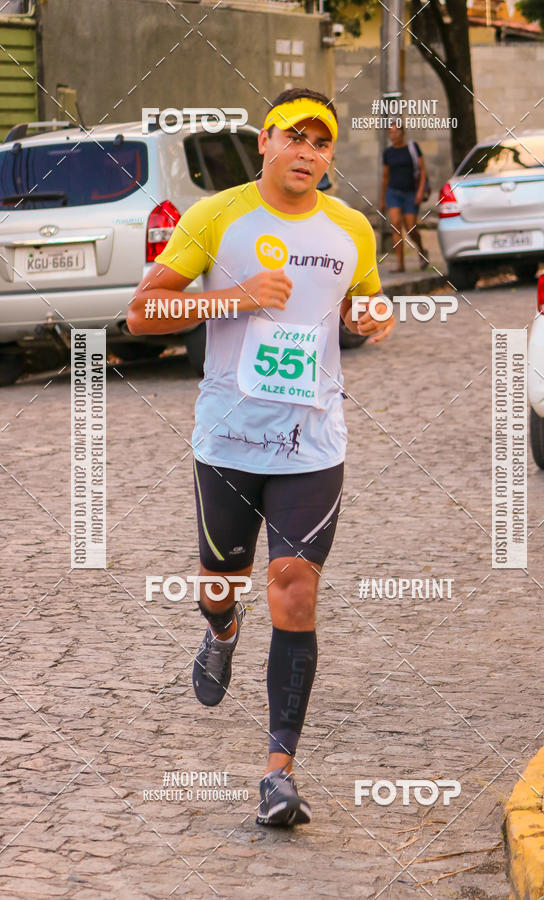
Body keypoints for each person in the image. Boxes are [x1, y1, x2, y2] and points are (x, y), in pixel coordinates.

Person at [127, 87, 394, 827]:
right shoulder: (217, 217)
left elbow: (362, 300)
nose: (306, 151)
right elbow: (143, 313)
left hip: (313, 443)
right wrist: (235, 296)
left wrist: (372, 314)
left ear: (330, 156)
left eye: (320, 141)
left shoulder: (350, 228)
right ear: (265, 143)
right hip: (229, 439)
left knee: (293, 588)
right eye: (292, 136)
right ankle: (221, 629)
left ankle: (279, 771)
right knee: (224, 585)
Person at [380, 123, 429, 273]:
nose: (393, 135)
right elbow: (385, 176)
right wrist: (382, 199)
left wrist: (420, 191)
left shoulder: (412, 148)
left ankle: (422, 251)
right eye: (390, 133)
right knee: (395, 224)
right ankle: (400, 264)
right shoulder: (388, 153)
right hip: (393, 192)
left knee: (411, 227)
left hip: (411, 193)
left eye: (396, 132)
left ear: (402, 133)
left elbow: (423, 170)